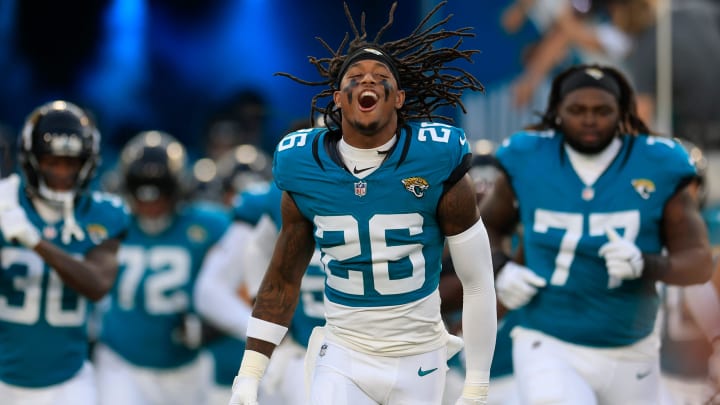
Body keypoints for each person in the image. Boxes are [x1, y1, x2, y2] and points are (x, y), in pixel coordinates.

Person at [229, 1, 498, 405]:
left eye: (380, 75)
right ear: (337, 98)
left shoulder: (435, 157)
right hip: (342, 353)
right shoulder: (304, 164)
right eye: (354, 76)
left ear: (400, 97)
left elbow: (478, 280)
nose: (366, 81)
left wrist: (477, 383)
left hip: (419, 356)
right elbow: (283, 278)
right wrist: (250, 372)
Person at [478, 63, 713, 404]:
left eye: (602, 110)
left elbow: (699, 263)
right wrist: (500, 267)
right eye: (577, 110)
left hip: (632, 346)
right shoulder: (529, 157)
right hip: (548, 339)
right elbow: (484, 227)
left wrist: (647, 265)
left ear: (623, 113)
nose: (589, 119)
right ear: (557, 112)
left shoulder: (657, 163)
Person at [0, 100, 129, 405]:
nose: (61, 172)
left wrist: (35, 242)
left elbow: (97, 284)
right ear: (32, 159)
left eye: (70, 163)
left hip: (68, 379)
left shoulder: (102, 213)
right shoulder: (6, 201)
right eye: (51, 161)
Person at [93, 131, 231, 405]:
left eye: (158, 196)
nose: (150, 206)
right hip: (120, 361)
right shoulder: (108, 221)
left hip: (186, 367)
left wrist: (210, 329)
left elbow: (252, 281)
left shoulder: (209, 226)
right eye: (141, 196)